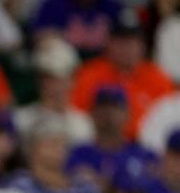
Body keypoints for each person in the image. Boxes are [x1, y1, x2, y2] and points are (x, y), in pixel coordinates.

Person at [69, 7, 174, 140]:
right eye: (121, 41)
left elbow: (169, 120)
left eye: (132, 41)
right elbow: (77, 117)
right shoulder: (89, 74)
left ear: (143, 45)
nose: (127, 48)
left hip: (144, 147)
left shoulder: (158, 78)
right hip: (98, 144)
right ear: (108, 43)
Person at [15, 37, 95, 147]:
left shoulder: (84, 124)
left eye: (56, 78)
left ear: (72, 80)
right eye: (44, 77)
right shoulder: (22, 119)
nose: (48, 84)